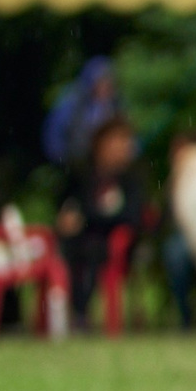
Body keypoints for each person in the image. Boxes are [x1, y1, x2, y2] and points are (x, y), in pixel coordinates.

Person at [55, 117, 146, 327]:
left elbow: (132, 217)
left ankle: (81, 312)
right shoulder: (82, 176)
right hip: (79, 241)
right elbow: (68, 206)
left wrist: (87, 219)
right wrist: (66, 220)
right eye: (115, 142)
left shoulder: (132, 180)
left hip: (116, 245)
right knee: (71, 249)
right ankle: (69, 313)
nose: (122, 149)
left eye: (126, 143)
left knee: (94, 250)